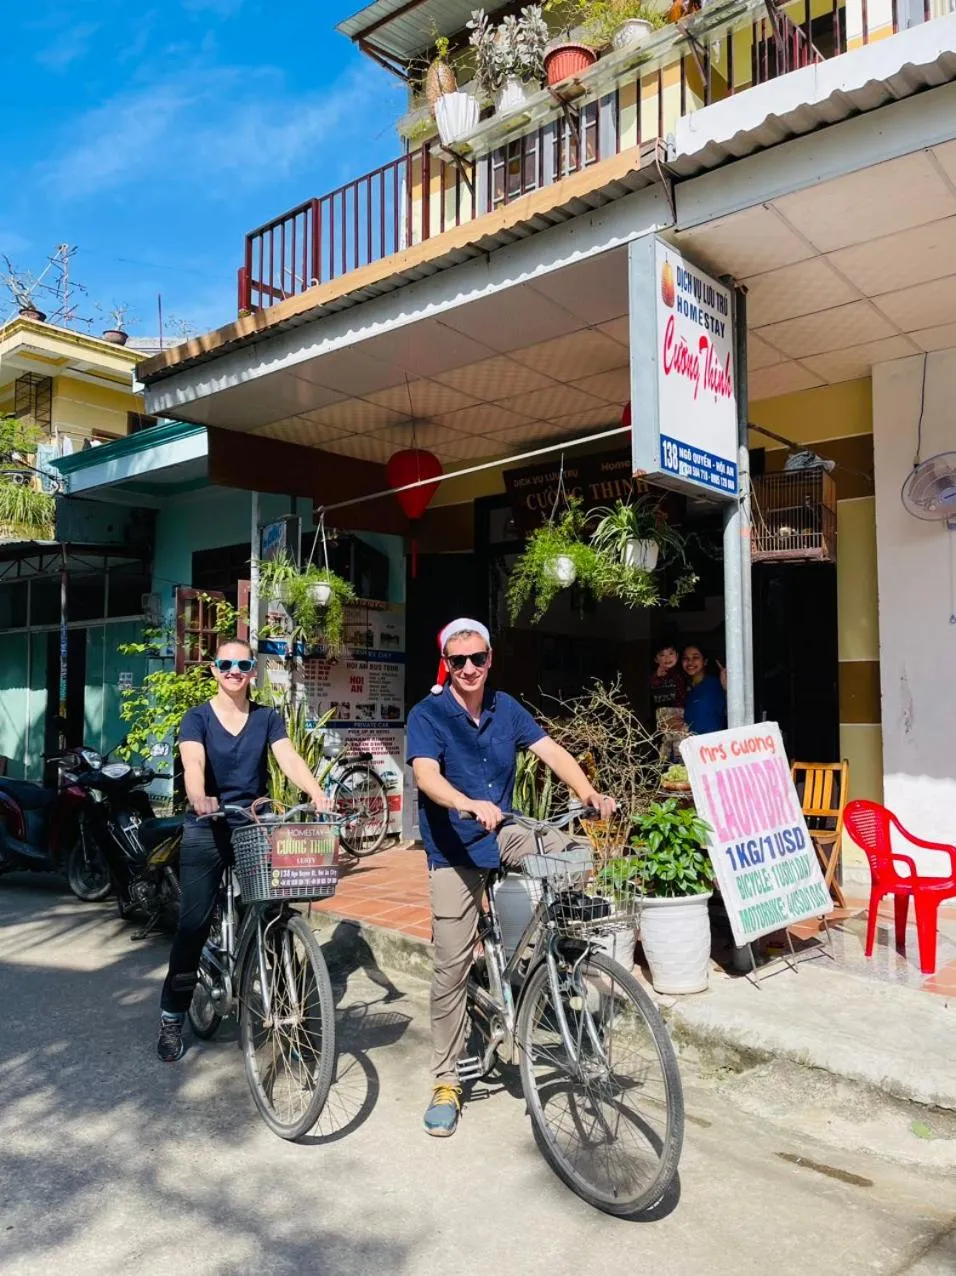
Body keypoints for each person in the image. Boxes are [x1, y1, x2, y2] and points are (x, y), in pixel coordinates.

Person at [406, 618, 616, 1138]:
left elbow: (551, 751)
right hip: (454, 847)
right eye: (459, 662)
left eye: (478, 658)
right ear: (447, 665)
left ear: (490, 658)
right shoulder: (428, 714)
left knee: (571, 854)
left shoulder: (506, 707)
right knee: (451, 965)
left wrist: (588, 793)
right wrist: (465, 802)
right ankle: (447, 1080)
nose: (470, 669)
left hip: (504, 832)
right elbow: (426, 777)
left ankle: (540, 962)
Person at [156, 638, 330, 1063]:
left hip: (253, 826)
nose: (234, 670)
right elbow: (192, 764)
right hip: (207, 826)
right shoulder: (196, 718)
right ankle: (171, 1017)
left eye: (243, 664)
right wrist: (199, 796)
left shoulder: (267, 718)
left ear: (253, 672)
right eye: (225, 664)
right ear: (214, 670)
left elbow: (287, 757)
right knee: (194, 925)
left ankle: (288, 1013)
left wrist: (317, 793)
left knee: (274, 913)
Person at [649, 643, 688, 764]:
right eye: (662, 655)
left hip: (680, 716)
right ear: (656, 659)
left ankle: (677, 764)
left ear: (677, 655)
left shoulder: (681, 672)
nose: (667, 658)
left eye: (671, 654)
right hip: (664, 716)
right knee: (666, 743)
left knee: (679, 745)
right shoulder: (655, 677)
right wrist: (658, 677)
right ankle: (664, 765)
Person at [681, 644, 728, 735]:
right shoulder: (683, 689)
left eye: (696, 657)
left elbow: (730, 710)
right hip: (691, 745)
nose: (690, 662)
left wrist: (727, 689)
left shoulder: (715, 684)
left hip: (713, 744)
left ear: (705, 661)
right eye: (685, 658)